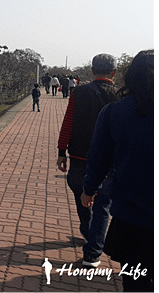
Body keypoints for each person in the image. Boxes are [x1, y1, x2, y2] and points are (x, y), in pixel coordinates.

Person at [81, 50, 154, 292]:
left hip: (133, 217)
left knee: (135, 281)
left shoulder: (116, 112)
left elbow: (99, 159)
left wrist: (89, 189)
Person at [57, 53, 119, 267]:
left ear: (92, 71)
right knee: (103, 204)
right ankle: (93, 252)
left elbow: (68, 123)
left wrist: (61, 151)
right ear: (114, 73)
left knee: (81, 197)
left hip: (79, 156)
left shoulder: (79, 92)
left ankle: (89, 234)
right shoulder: (120, 96)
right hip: (110, 159)